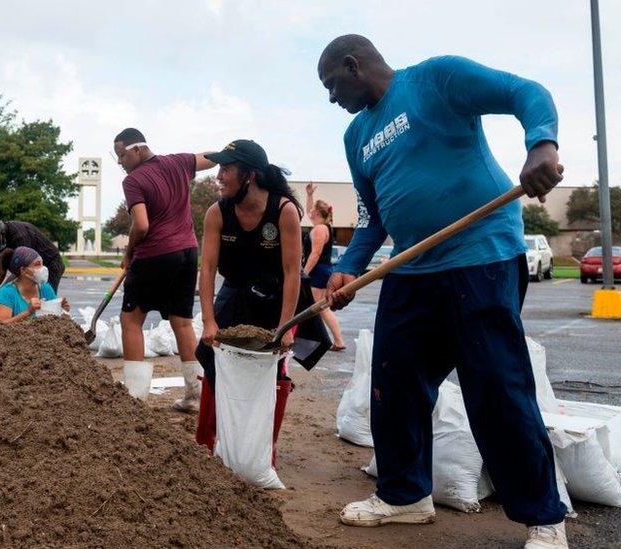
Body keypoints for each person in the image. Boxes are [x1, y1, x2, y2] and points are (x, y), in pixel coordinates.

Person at [318, 35, 567, 548]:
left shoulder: (436, 78)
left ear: (352, 64)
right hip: (411, 270)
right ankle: (405, 497)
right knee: (394, 384)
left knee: (496, 388)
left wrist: (541, 142)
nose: (331, 98)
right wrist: (349, 269)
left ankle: (544, 518)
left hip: (481, 255)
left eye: (331, 85)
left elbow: (527, 92)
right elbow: (372, 215)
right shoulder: (355, 135)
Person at [194, 139, 327, 456]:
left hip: (277, 295)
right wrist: (210, 322)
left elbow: (293, 272)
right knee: (210, 355)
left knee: (271, 367)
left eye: (227, 169)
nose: (219, 175)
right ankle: (208, 439)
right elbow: (208, 268)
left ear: (249, 175)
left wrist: (284, 329)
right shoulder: (217, 212)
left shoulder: (283, 211)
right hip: (237, 291)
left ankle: (264, 449)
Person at [113, 127, 216, 412]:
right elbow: (209, 158)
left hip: (155, 254)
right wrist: (229, 152)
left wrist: (129, 250)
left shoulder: (134, 180)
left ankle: (135, 397)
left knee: (131, 320)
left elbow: (142, 225)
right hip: (187, 252)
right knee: (181, 321)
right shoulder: (178, 162)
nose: (120, 162)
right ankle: (195, 395)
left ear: (137, 149)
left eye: (121, 155)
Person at [0, 218, 64, 311]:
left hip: (50, 264)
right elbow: (0, 269)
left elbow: (21, 271)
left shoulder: (20, 235)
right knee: (24, 300)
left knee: (45, 302)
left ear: (2, 233)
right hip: (28, 268)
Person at [303, 182, 346, 351]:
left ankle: (338, 340)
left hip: (319, 271)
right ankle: (335, 340)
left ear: (317, 213)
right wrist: (309, 195)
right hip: (322, 270)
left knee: (321, 307)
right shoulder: (322, 226)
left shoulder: (320, 229)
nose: (310, 211)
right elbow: (308, 211)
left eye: (313, 208)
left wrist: (304, 272)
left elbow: (315, 253)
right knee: (319, 308)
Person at [0, 246, 69, 323]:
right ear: (23, 270)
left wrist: (61, 310)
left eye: (42, 264)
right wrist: (28, 312)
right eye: (37, 265)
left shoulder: (46, 288)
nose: (42, 268)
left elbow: (54, 321)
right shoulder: (6, 293)